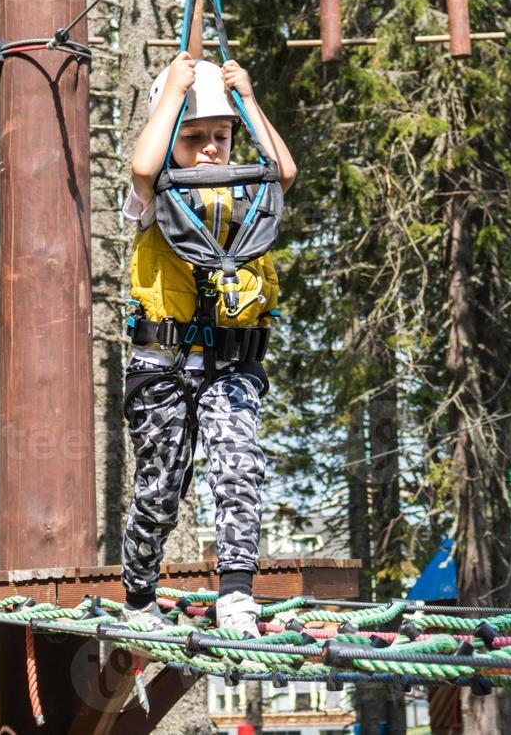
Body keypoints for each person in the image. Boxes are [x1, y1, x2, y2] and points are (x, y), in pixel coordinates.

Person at [119, 51, 297, 636]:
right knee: (162, 487)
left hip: (231, 365)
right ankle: (139, 592)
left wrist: (246, 98)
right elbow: (143, 167)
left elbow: (285, 171)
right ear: (171, 138)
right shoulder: (155, 199)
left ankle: (237, 594)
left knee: (238, 466)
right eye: (193, 139)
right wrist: (173, 94)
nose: (211, 150)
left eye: (219, 137)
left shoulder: (249, 194)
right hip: (163, 365)